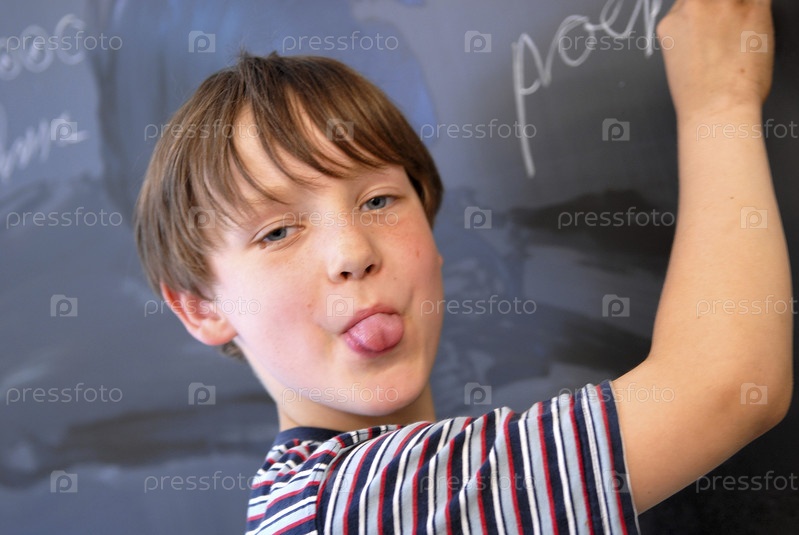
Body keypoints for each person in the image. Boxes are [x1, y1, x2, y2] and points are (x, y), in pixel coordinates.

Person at [133, 0, 792, 532]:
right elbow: (730, 385)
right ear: (201, 306)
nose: (353, 253)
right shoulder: (357, 506)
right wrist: (718, 103)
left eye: (378, 200)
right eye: (277, 232)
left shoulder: (306, 498)